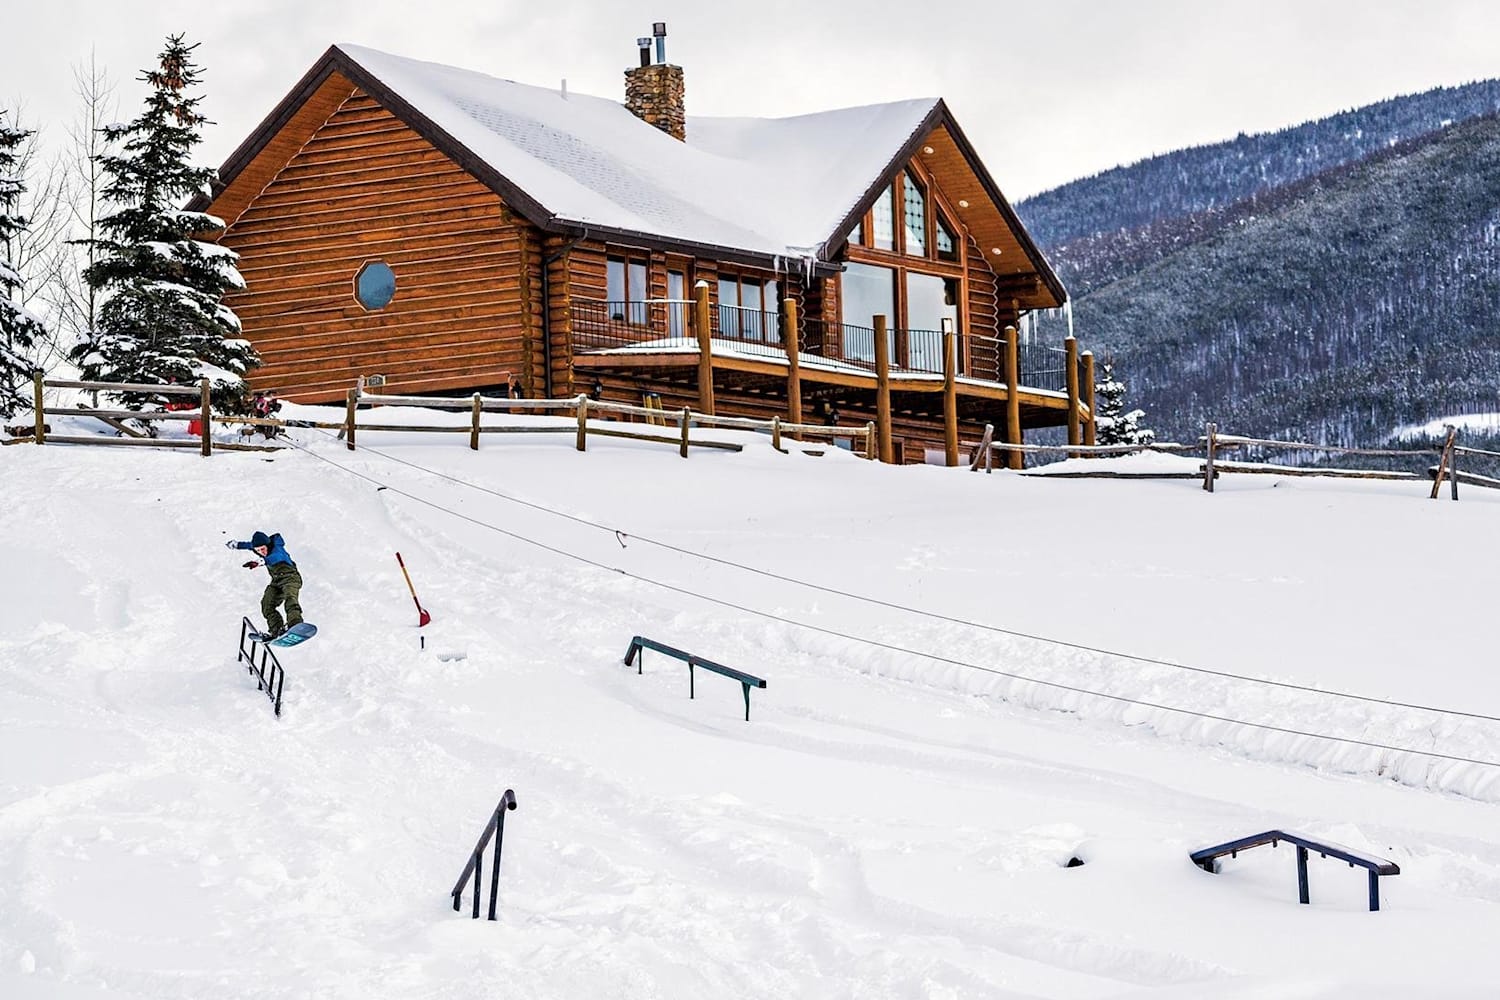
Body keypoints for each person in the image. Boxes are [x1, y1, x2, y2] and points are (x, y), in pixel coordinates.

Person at [227, 530, 303, 639]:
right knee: (267, 605)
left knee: (290, 598)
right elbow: (248, 545)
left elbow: (275, 557)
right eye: (258, 550)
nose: (261, 552)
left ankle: (295, 623)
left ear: (268, 545)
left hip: (291, 578)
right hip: (276, 582)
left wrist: (259, 562)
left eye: (263, 549)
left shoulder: (277, 549)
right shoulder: (257, 548)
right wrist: (236, 545)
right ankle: (277, 630)